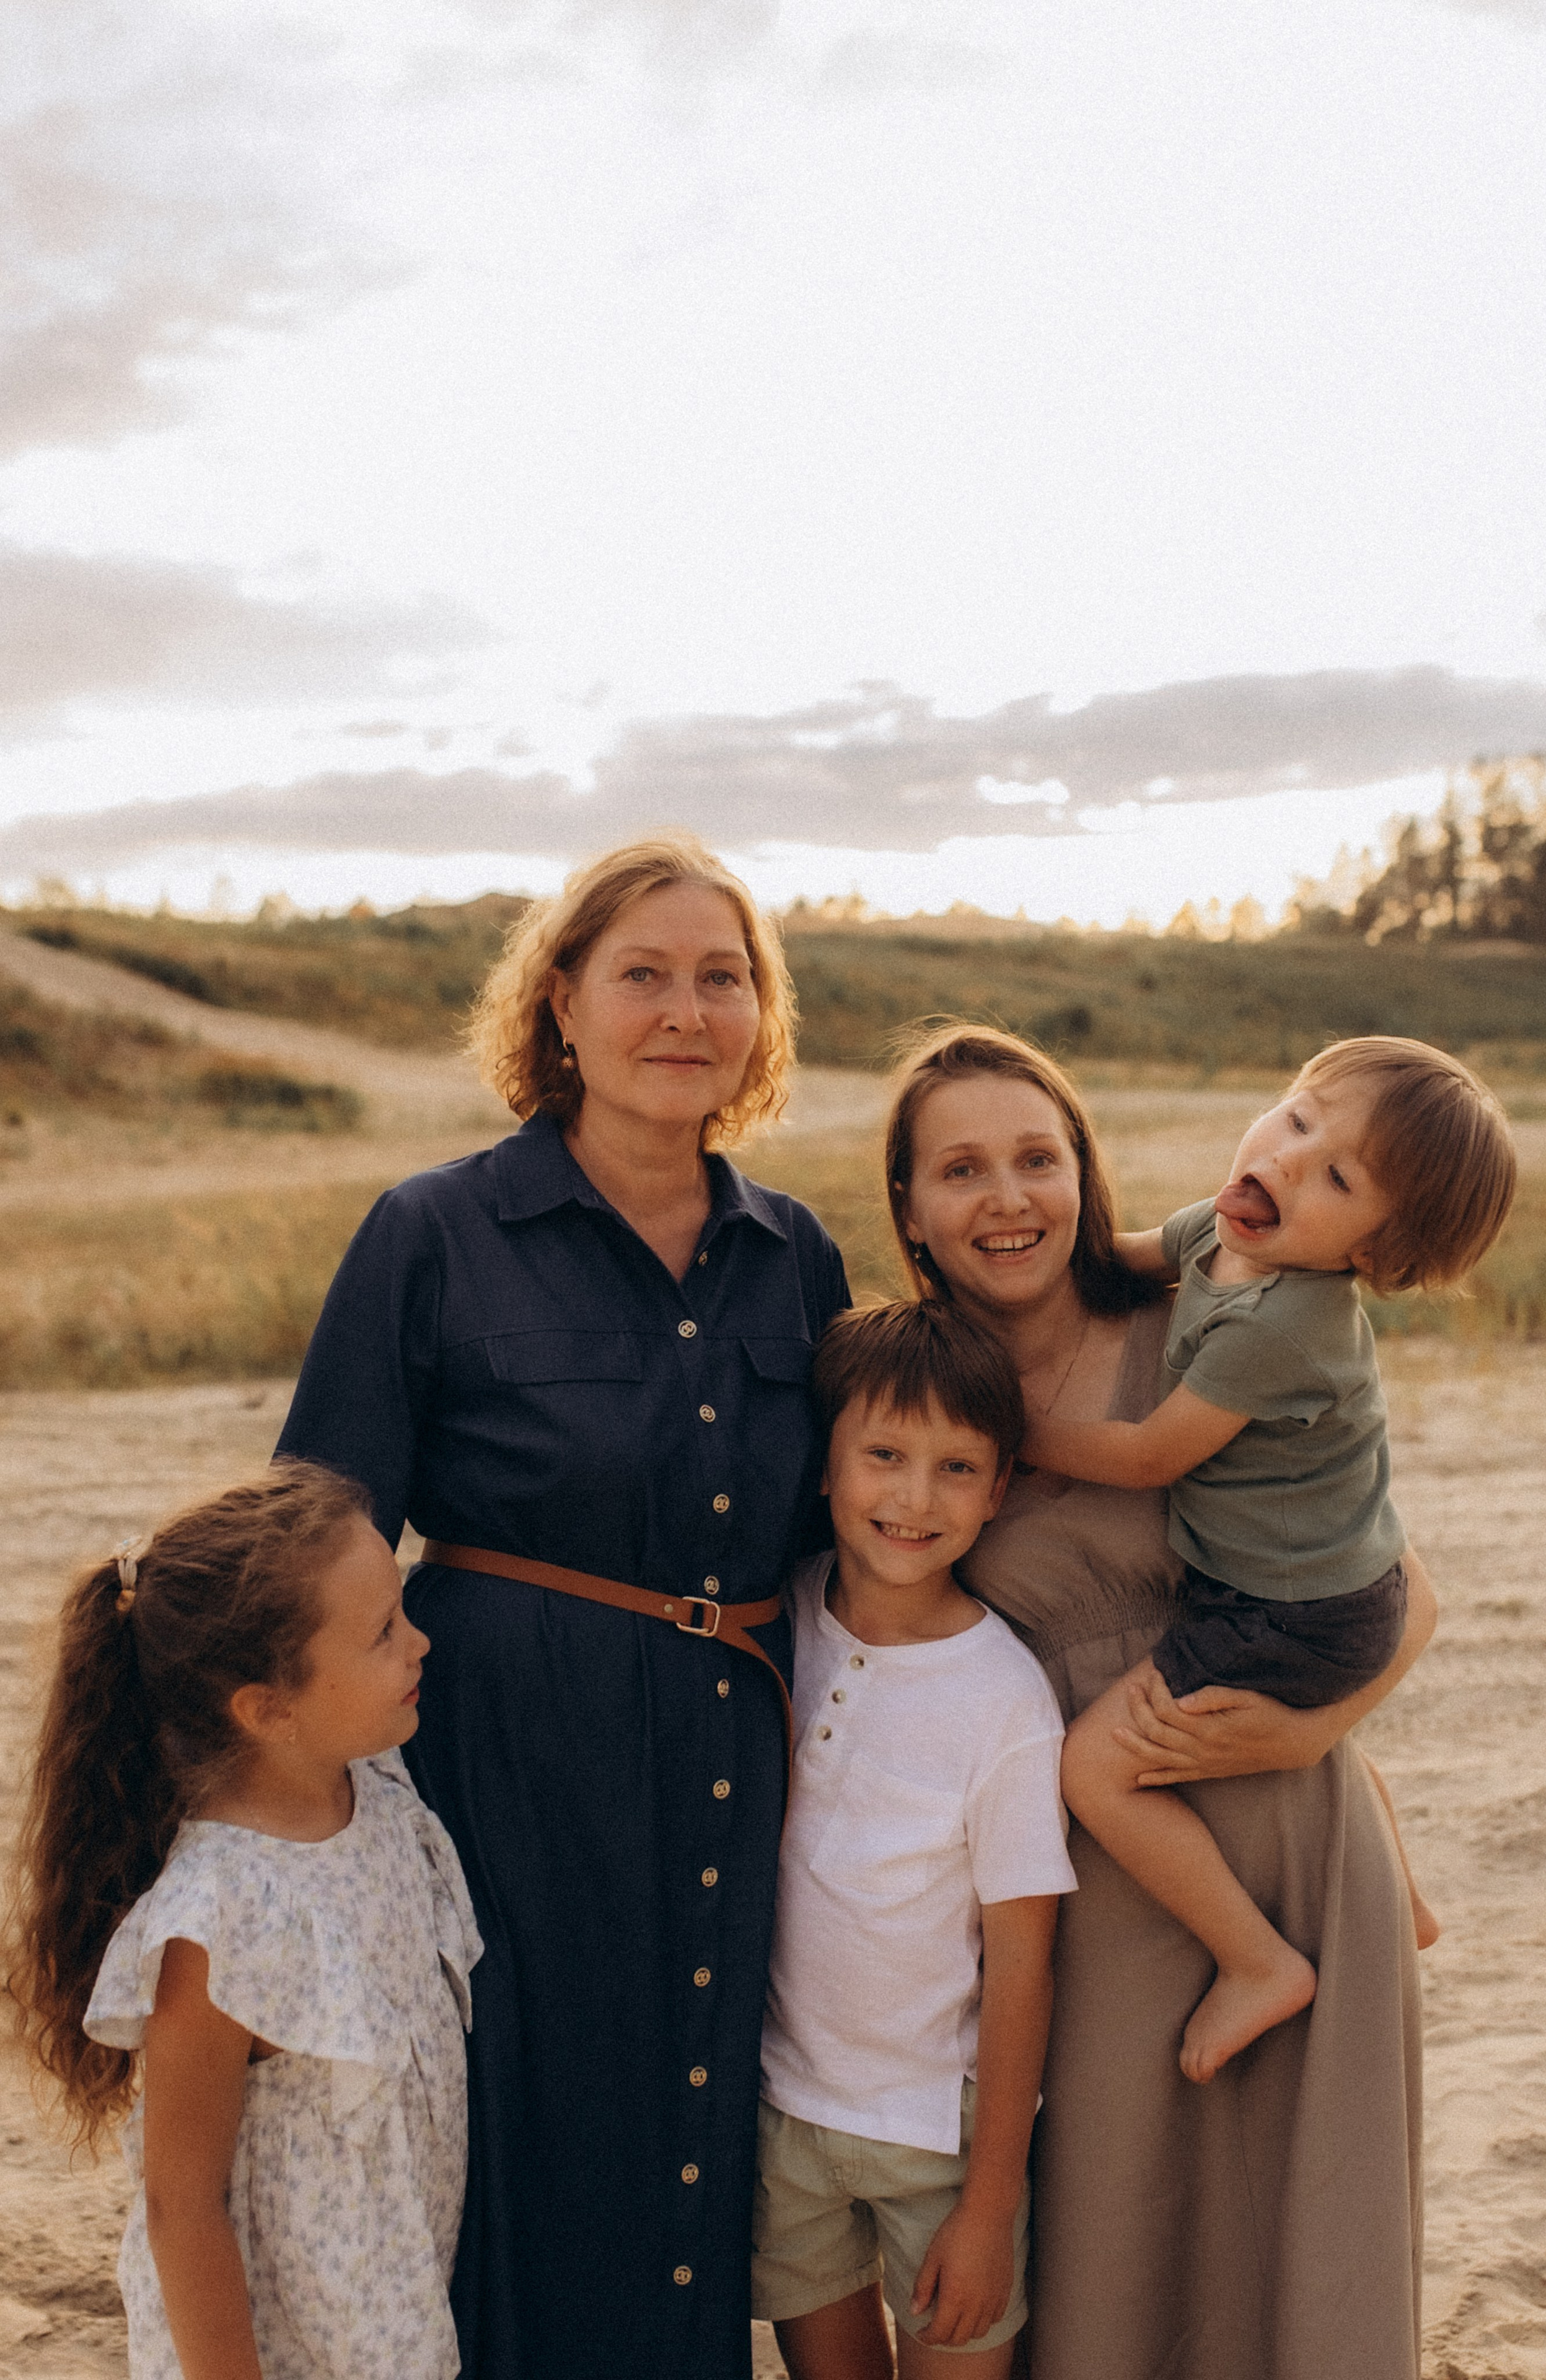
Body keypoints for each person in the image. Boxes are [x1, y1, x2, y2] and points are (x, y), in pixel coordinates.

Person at [275, 835, 850, 2379]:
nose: (685, 1011)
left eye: (721, 978)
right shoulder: (434, 1233)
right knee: (527, 2133)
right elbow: (319, 1535)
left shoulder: (796, 1255)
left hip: (743, 1768)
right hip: (503, 1766)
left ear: (759, 1014)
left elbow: (872, 1524)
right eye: (643, 975)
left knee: (706, 2125)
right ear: (562, 1005)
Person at [886, 1024, 1436, 2380]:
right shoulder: (911, 1391)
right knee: (1121, 2235)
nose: (1007, 1198)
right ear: (907, 1204)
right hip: (1093, 1875)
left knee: (1303, 2243)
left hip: (1287, 1838)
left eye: (1037, 1157)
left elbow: (1397, 1586)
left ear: (1084, 1169)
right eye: (960, 1169)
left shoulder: (1201, 1318)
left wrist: (1314, 1728)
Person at [1031, 1036, 1514, 2081]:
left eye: (1339, 1177)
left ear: (1374, 1258)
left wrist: (1003, 1425)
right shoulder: (1217, 1231)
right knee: (1323, 1739)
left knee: (1095, 1768)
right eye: (1298, 1117)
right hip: (1346, 1575)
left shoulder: (1289, 1326)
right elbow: (1110, 1259)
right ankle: (1407, 1897)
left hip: (1298, 1612)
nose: (1290, 1159)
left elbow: (1149, 1454)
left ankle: (1257, 1962)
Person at [5, 1461, 481, 2380]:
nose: (420, 1645)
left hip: (386, 2328)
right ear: (268, 1710)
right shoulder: (220, 1922)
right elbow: (182, 2208)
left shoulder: (380, 1793)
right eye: (384, 1633)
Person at [753, 1301, 1076, 2380]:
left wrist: (991, 2206)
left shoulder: (1004, 1700)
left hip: (936, 2137)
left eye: (954, 1467)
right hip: (784, 2113)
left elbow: (1023, 1961)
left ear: (999, 1487)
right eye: (883, 1455)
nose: (911, 1498)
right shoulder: (778, 1621)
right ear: (826, 1464)